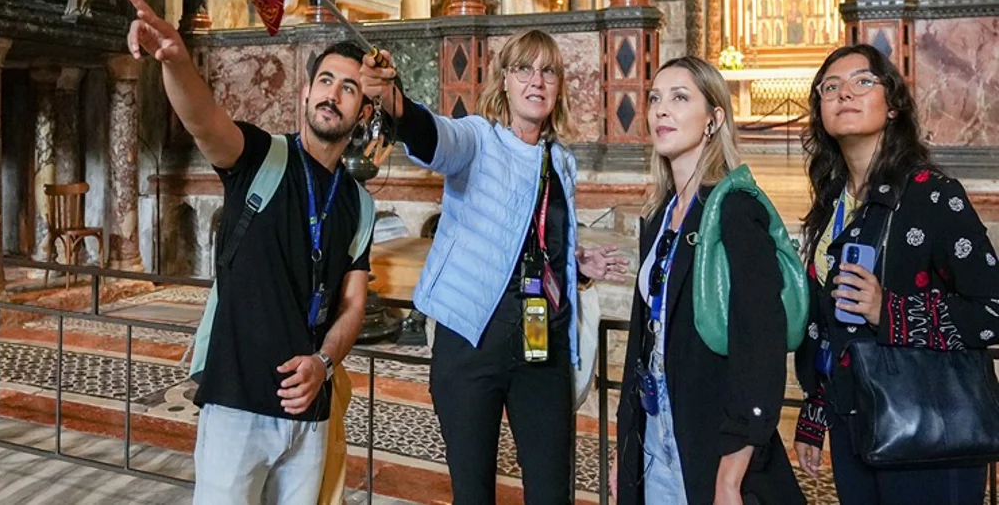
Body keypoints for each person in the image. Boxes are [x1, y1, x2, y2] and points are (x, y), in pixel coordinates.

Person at [360, 30, 628, 505]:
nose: (536, 81)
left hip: (540, 339)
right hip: (471, 339)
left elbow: (536, 239)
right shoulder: (478, 139)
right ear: (504, 81)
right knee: (473, 491)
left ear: (559, 85)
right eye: (524, 68)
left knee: (551, 490)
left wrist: (575, 264)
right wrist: (396, 104)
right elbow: (435, 137)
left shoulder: (561, 161)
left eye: (548, 71)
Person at [125, 0, 373, 505]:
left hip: (311, 410)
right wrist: (176, 62)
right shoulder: (261, 156)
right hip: (238, 405)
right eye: (325, 82)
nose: (333, 95)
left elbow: (352, 306)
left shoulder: (359, 205)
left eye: (349, 89)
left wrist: (323, 364)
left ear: (363, 110)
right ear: (304, 93)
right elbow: (204, 121)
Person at [793, 44, 999, 505]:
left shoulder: (932, 194)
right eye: (830, 87)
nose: (844, 93)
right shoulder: (831, 205)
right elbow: (830, 322)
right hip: (855, 421)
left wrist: (889, 311)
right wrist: (815, 414)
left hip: (931, 429)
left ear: (892, 107)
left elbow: (992, 309)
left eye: (863, 81)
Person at [613, 56, 804, 505]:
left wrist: (730, 477)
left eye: (680, 98)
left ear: (714, 118)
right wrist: (626, 449)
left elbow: (760, 346)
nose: (661, 110)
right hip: (656, 432)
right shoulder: (661, 215)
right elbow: (645, 340)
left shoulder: (734, 209)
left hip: (709, 442)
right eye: (655, 98)